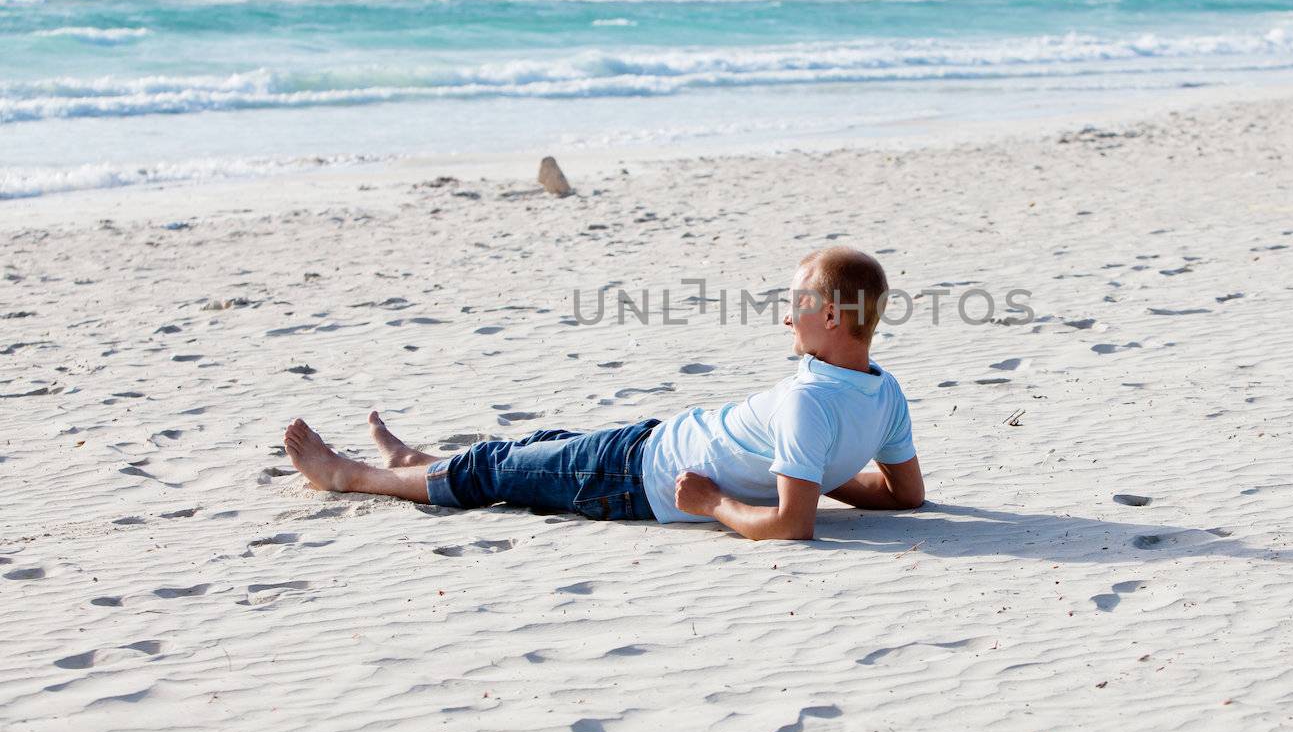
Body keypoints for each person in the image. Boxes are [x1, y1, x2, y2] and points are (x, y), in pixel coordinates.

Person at [282, 246, 923, 541]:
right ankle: (414, 465)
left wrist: (715, 502)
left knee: (497, 469)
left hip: (636, 477)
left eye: (797, 305)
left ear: (833, 318)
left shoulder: (809, 402)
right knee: (533, 450)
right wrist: (810, 467)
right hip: (648, 445)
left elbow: (791, 525)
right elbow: (904, 494)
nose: (787, 317)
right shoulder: (883, 392)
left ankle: (352, 476)